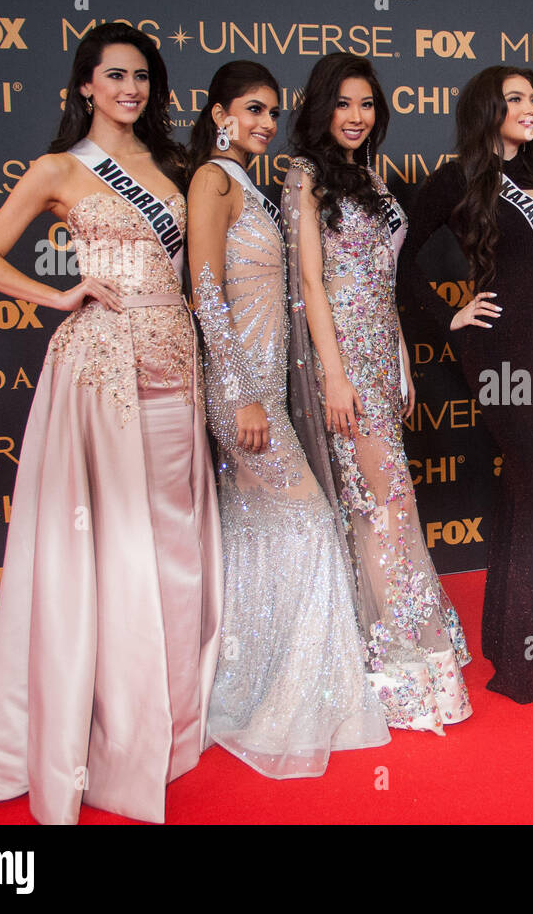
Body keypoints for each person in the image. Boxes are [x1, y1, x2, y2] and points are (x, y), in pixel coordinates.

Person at [0, 23, 220, 824]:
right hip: (104, 369)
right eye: (115, 76)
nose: (131, 89)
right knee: (108, 545)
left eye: (142, 77)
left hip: (177, 358)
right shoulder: (58, 169)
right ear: (85, 86)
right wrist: (60, 294)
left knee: (173, 539)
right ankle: (111, 725)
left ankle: (172, 721)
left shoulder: (173, 167)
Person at [186, 60, 389, 776]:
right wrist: (240, 394)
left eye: (272, 112)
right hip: (245, 395)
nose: (264, 124)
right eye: (249, 109)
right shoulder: (212, 180)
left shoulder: (253, 186)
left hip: (268, 390)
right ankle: (298, 694)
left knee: (261, 539)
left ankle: (257, 680)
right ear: (217, 113)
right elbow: (205, 290)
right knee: (307, 526)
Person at [284, 53, 471, 731]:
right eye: (343, 104)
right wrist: (336, 375)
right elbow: (310, 287)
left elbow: (381, 281)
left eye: (366, 104)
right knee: (380, 508)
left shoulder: (371, 175)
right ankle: (398, 670)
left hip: (378, 359)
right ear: (320, 109)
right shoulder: (303, 177)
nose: (357, 117)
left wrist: (399, 362)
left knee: (390, 505)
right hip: (341, 368)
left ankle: (402, 650)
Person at [397, 65, 533, 705]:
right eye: (514, 99)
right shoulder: (459, 177)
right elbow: (399, 262)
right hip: (500, 347)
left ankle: (512, 636)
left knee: (527, 480)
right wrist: (449, 315)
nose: (529, 108)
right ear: (488, 110)